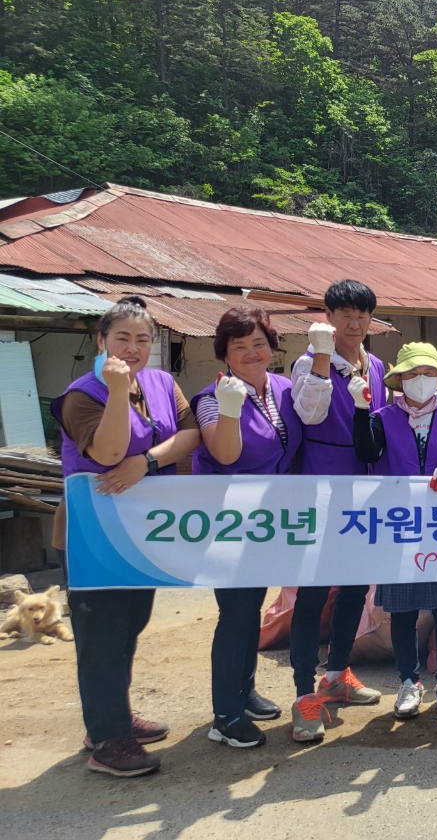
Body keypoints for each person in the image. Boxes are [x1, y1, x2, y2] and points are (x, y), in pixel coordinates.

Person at [51, 296, 201, 776]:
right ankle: (108, 740)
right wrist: (117, 392)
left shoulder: (161, 382)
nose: (133, 348)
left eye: (142, 339)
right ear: (101, 341)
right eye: (122, 338)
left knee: (131, 623)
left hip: (141, 533)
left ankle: (113, 715)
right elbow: (109, 452)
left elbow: (190, 434)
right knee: (101, 634)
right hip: (93, 536)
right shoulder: (81, 395)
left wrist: (148, 461)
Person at [192, 307, 304, 748]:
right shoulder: (212, 398)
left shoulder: (284, 389)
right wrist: (230, 409)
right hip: (230, 523)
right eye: (239, 346)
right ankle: (225, 714)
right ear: (225, 353)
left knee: (252, 606)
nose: (251, 353)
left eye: (258, 343)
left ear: (272, 346)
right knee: (236, 613)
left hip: (269, 521)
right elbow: (225, 454)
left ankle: (244, 689)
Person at [351, 341, 437, 720]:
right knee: (402, 609)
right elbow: (367, 453)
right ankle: (409, 681)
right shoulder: (382, 418)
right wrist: (360, 408)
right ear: (399, 380)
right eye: (412, 374)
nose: (420, 380)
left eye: (427, 374)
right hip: (400, 526)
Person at [288, 279, 387, 742]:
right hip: (322, 491)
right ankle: (303, 695)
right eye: (345, 314)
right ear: (327, 317)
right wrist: (323, 358)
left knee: (354, 588)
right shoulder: (309, 363)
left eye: (362, 315)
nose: (354, 323)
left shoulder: (378, 365)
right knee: (312, 594)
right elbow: (309, 414)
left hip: (364, 496)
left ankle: (337, 675)